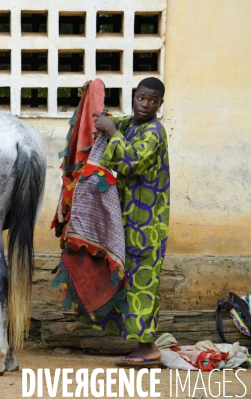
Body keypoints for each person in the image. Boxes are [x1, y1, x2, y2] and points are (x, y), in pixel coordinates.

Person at [87, 77, 170, 366]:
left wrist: (111, 131)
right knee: (127, 280)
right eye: (142, 98)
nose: (146, 104)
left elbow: (130, 161)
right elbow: (101, 121)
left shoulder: (154, 132)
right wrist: (91, 97)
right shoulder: (129, 125)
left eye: (153, 101)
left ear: (160, 104)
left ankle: (148, 349)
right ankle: (142, 344)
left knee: (143, 282)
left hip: (147, 223)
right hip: (126, 220)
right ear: (134, 97)